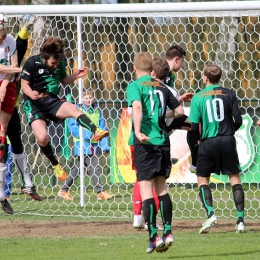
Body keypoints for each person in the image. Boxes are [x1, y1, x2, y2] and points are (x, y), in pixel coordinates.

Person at [20, 36, 109, 182]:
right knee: (42, 137)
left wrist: (75, 76)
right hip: (34, 103)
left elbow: (63, 80)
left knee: (73, 109)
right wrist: (31, 93)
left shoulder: (59, 63)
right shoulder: (32, 62)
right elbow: (24, 84)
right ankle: (55, 164)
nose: (55, 66)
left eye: (57, 63)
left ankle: (96, 131)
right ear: (45, 57)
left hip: (51, 100)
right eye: (53, 63)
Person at [126, 53, 184, 254]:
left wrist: (138, 131)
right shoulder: (162, 87)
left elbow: (138, 107)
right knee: (162, 189)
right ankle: (168, 231)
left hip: (146, 144)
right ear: (151, 69)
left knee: (146, 191)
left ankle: (153, 236)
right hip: (163, 143)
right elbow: (180, 112)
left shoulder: (134, 86)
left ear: (135, 68)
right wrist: (163, 120)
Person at [188, 64, 245, 234]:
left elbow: (193, 127)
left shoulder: (198, 97)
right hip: (227, 140)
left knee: (203, 179)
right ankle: (240, 221)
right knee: (234, 177)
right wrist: (228, 132)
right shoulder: (229, 94)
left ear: (205, 77)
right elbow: (239, 121)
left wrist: (199, 140)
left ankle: (211, 214)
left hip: (208, 142)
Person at [5, 14, 42, 202]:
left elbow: (20, 46)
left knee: (16, 144)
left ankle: (27, 183)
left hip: (11, 107)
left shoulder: (13, 54)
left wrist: (25, 30)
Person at [58, 89, 114, 201]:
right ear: (82, 99)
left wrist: (104, 145)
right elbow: (72, 128)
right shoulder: (77, 110)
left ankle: (63, 190)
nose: (88, 100)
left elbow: (102, 129)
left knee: (78, 169)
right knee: (94, 167)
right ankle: (100, 192)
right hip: (82, 143)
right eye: (86, 98)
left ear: (94, 98)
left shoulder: (97, 111)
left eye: (90, 97)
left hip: (94, 144)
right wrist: (88, 135)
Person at [164, 44, 198, 172]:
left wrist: (180, 99)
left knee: (195, 125)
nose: (182, 65)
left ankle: (195, 163)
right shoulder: (161, 73)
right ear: (176, 59)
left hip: (171, 115)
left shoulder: (169, 75)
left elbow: (166, 97)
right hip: (161, 117)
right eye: (182, 61)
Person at [0, 13, 20, 214]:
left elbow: (14, 66)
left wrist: (5, 82)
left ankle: (2, 195)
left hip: (8, 85)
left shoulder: (11, 40)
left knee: (2, 134)